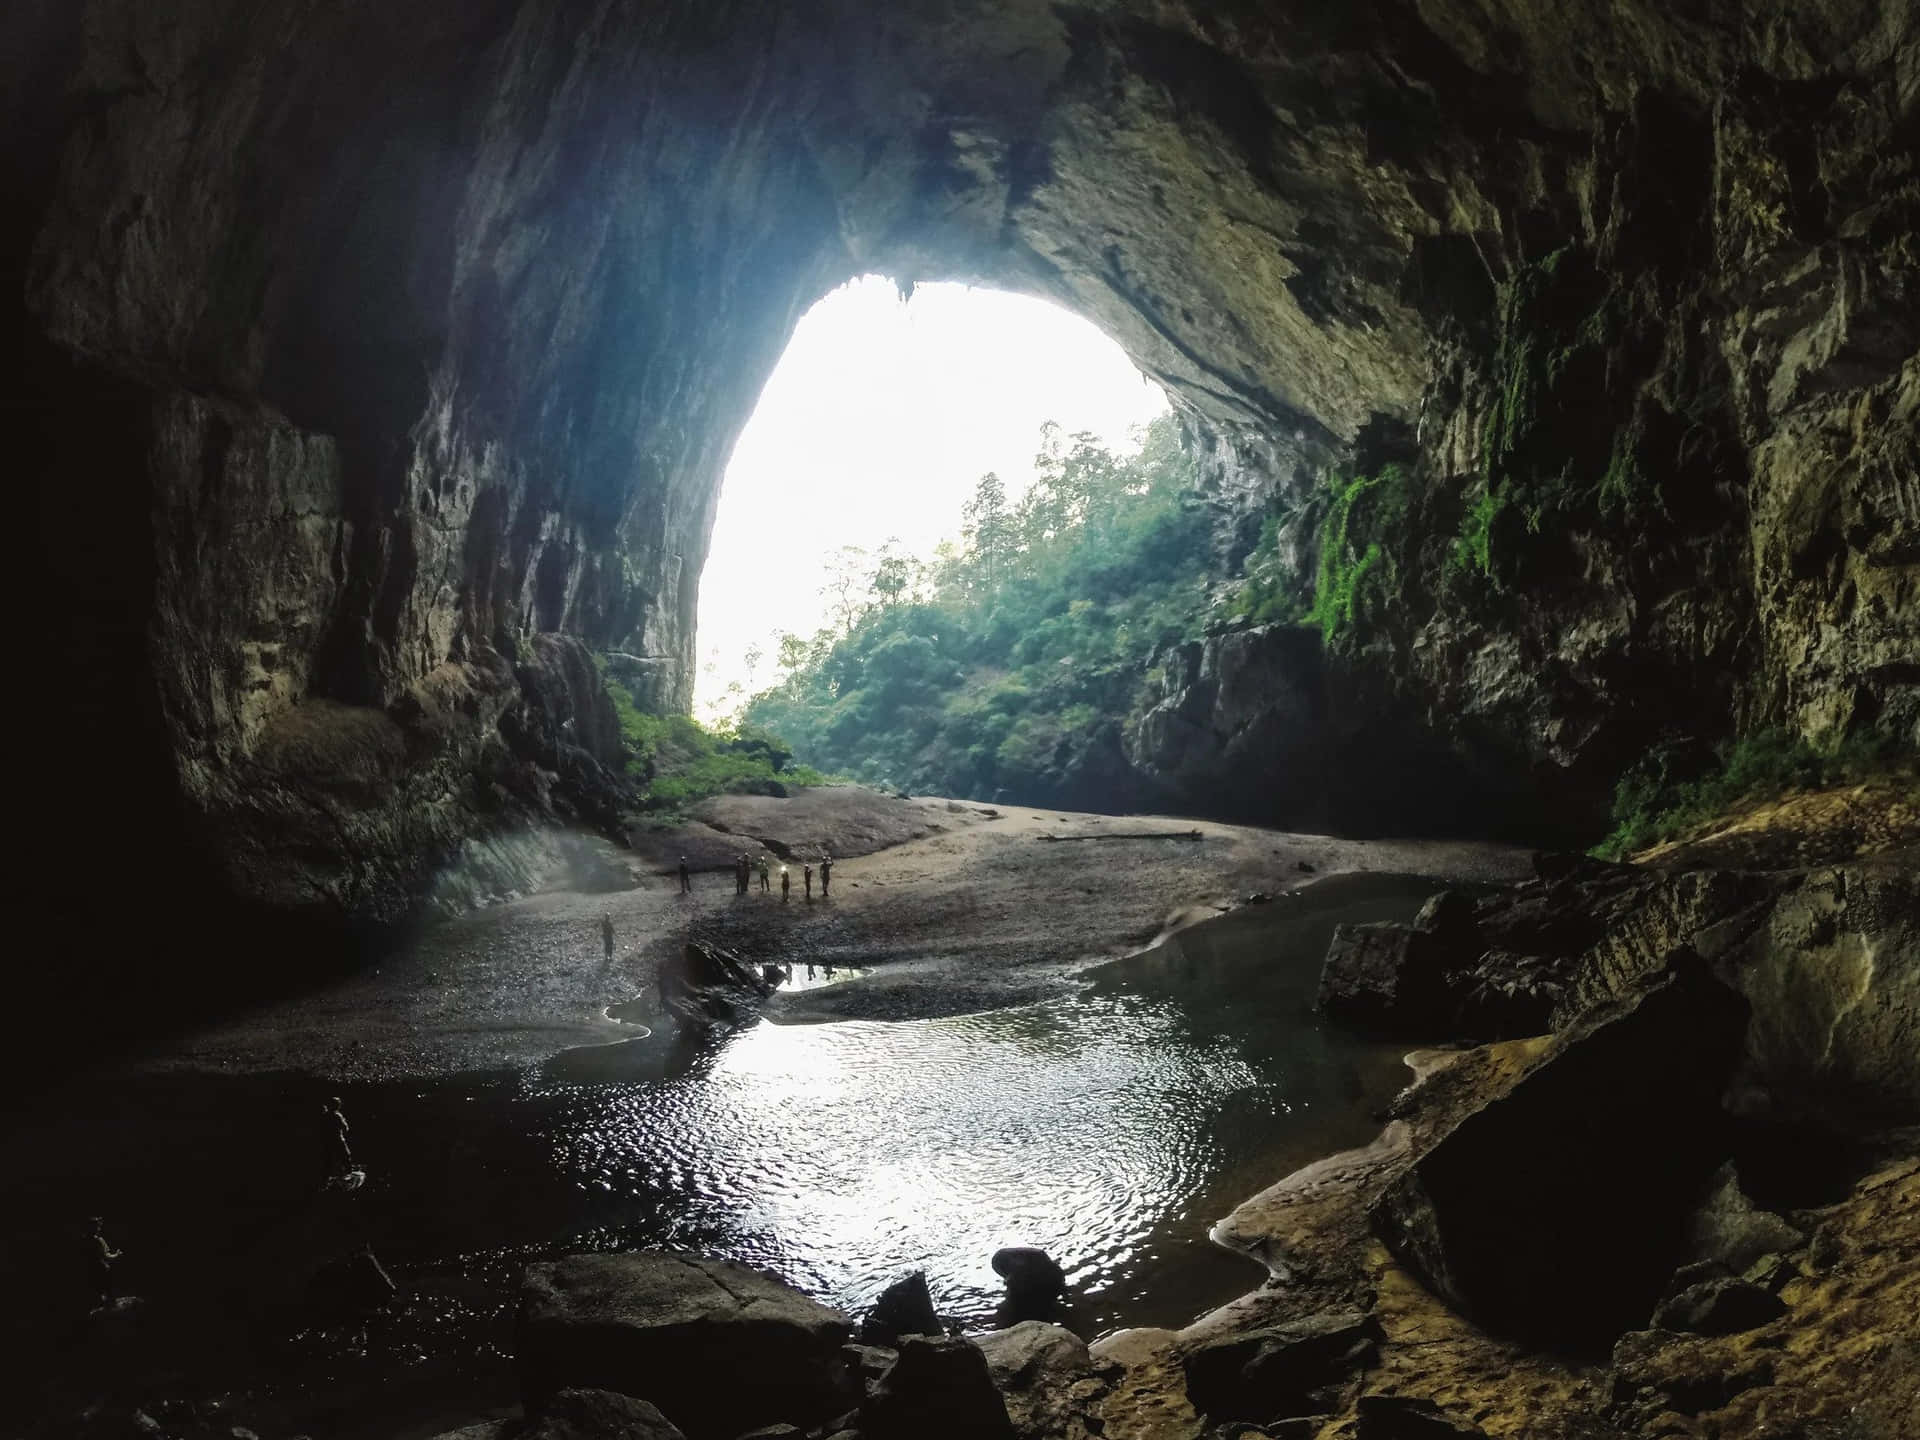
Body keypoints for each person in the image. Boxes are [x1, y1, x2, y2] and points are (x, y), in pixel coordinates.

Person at [86, 1216, 121, 1309]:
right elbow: (107, 1256)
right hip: (101, 1269)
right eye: (98, 1226)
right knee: (108, 1291)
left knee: (95, 1294)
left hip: (88, 1270)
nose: (99, 1228)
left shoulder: (83, 1240)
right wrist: (117, 1255)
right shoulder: (98, 1240)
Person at [322, 1096, 355, 1178]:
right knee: (346, 1155)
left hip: (326, 1140)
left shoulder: (324, 1115)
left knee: (328, 1157)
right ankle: (348, 1173)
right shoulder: (337, 1116)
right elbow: (345, 1128)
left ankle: (327, 1174)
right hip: (338, 1139)